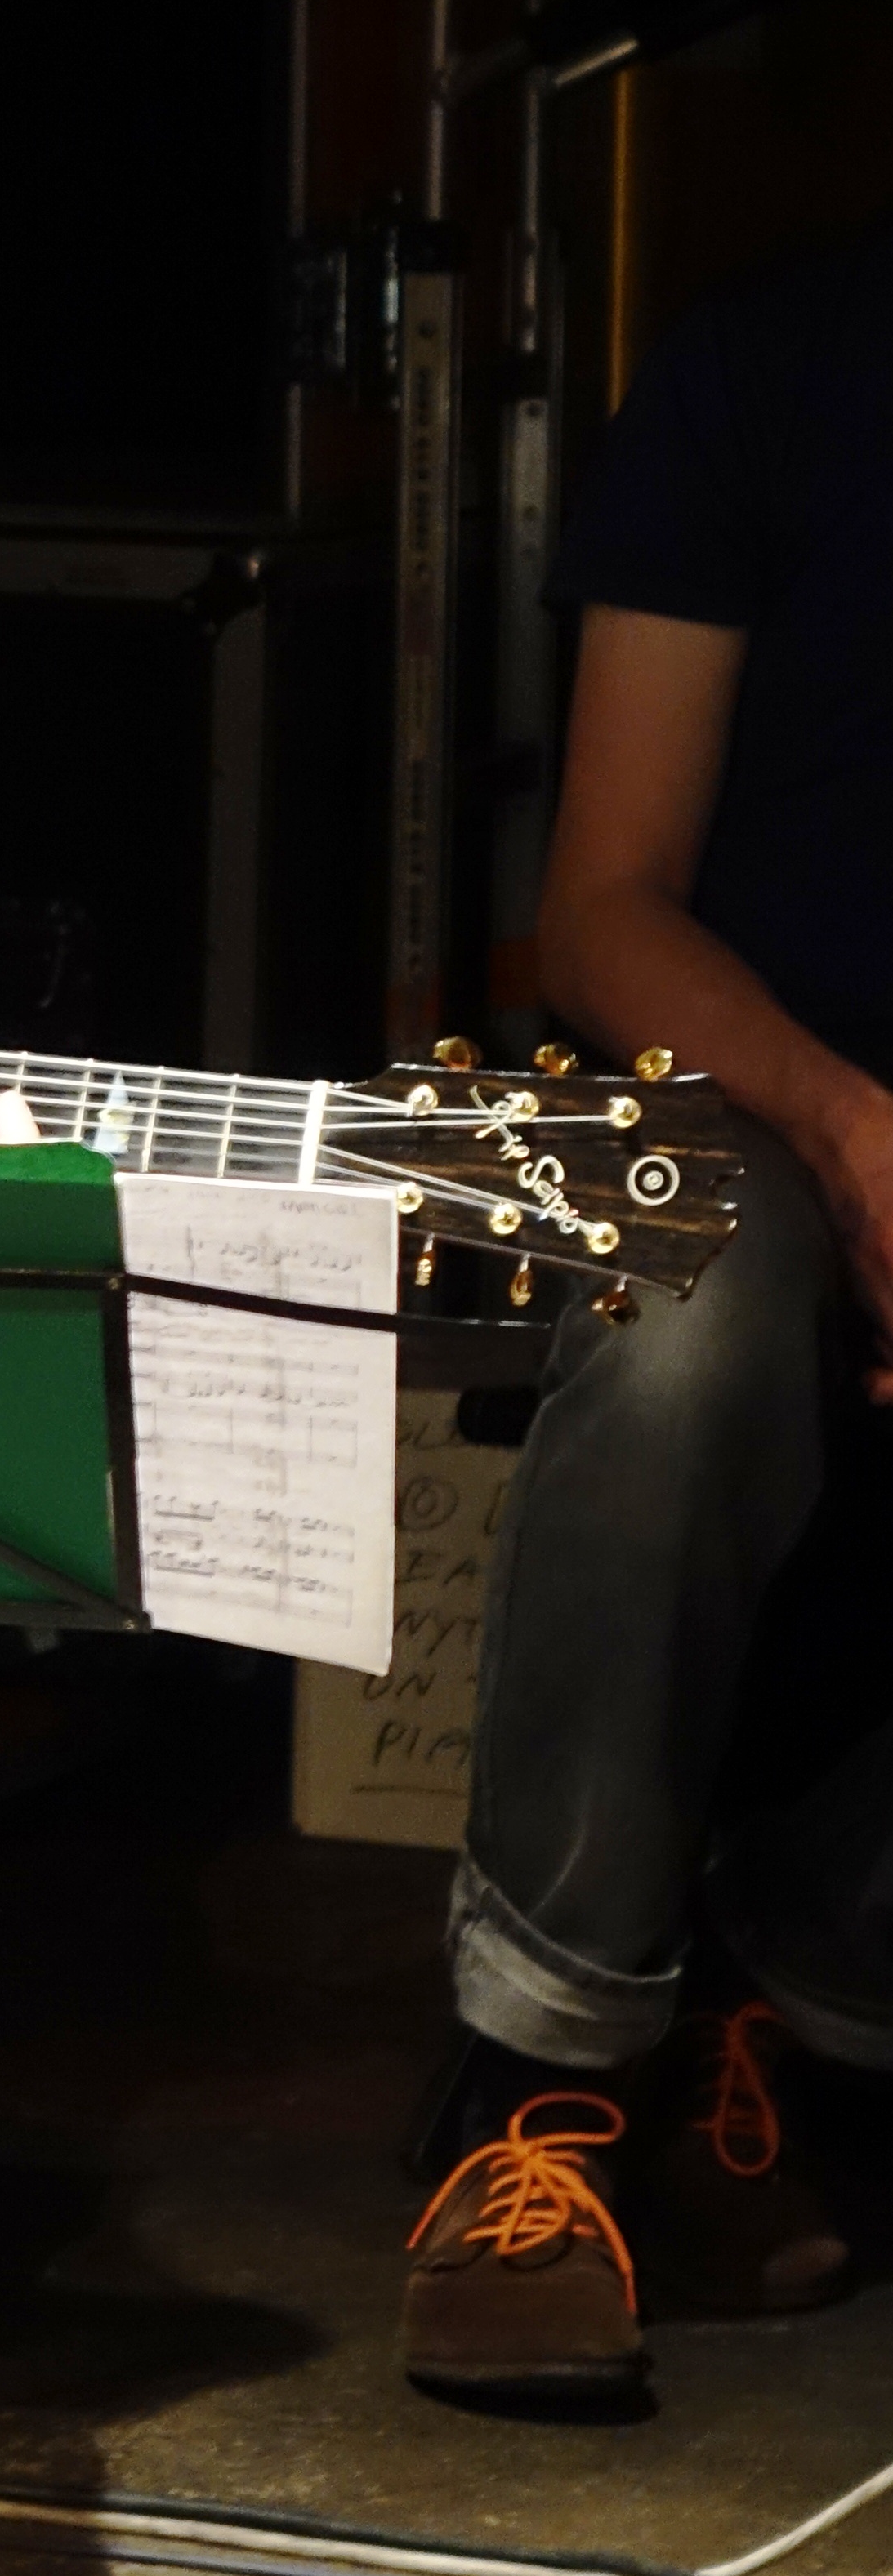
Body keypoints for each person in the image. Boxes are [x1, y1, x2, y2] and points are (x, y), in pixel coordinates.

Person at [402, 224, 893, 2403]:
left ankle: (801, 2022)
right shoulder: (767, 359)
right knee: (691, 1308)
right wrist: (844, 1121)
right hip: (731, 1085)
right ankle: (537, 2078)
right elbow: (596, 909)